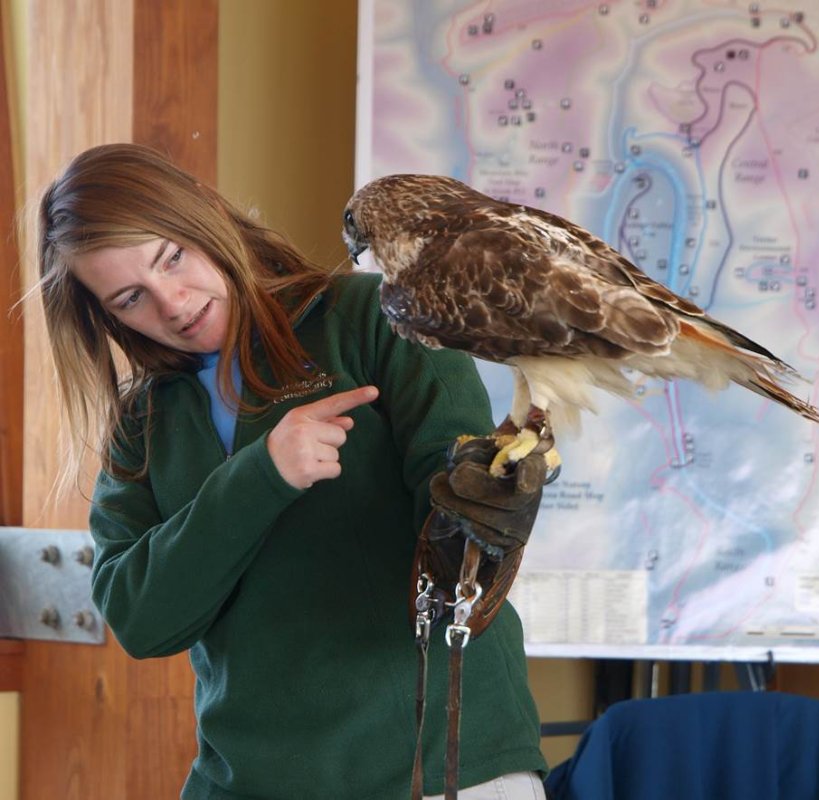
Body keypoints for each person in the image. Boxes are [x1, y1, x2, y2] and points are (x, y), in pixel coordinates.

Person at [37, 143, 549, 799]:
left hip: (444, 766)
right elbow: (142, 622)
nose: (171, 303)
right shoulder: (139, 422)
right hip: (249, 780)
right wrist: (262, 476)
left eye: (173, 257)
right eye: (132, 297)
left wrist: (493, 498)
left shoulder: (375, 317)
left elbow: (461, 535)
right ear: (103, 314)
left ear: (206, 220)